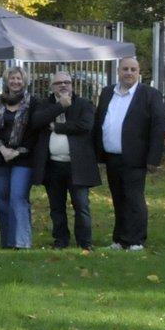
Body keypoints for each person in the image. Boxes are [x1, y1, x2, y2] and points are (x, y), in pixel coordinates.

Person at [94, 56, 165, 251]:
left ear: (139, 73)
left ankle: (136, 240)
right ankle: (120, 239)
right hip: (112, 156)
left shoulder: (150, 94)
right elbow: (100, 121)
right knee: (118, 198)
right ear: (118, 71)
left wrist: (153, 158)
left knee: (134, 199)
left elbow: (158, 127)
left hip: (135, 158)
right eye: (125, 69)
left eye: (133, 70)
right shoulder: (108, 92)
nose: (128, 73)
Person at [32, 71, 99, 249]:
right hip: (52, 165)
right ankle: (60, 240)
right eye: (59, 82)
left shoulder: (84, 104)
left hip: (77, 165)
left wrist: (57, 127)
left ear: (72, 85)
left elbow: (85, 126)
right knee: (56, 207)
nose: (63, 85)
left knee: (81, 206)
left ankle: (85, 242)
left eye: (67, 82)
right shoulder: (43, 104)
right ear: (51, 87)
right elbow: (36, 121)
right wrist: (60, 106)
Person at [0, 67, 41, 250]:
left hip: (23, 158)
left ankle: (22, 241)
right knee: (1, 198)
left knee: (18, 197)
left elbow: (34, 131)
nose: (15, 82)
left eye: (19, 79)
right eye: (12, 78)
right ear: (6, 81)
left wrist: (17, 151)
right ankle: (7, 241)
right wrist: (2, 148)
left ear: (24, 81)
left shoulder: (33, 102)